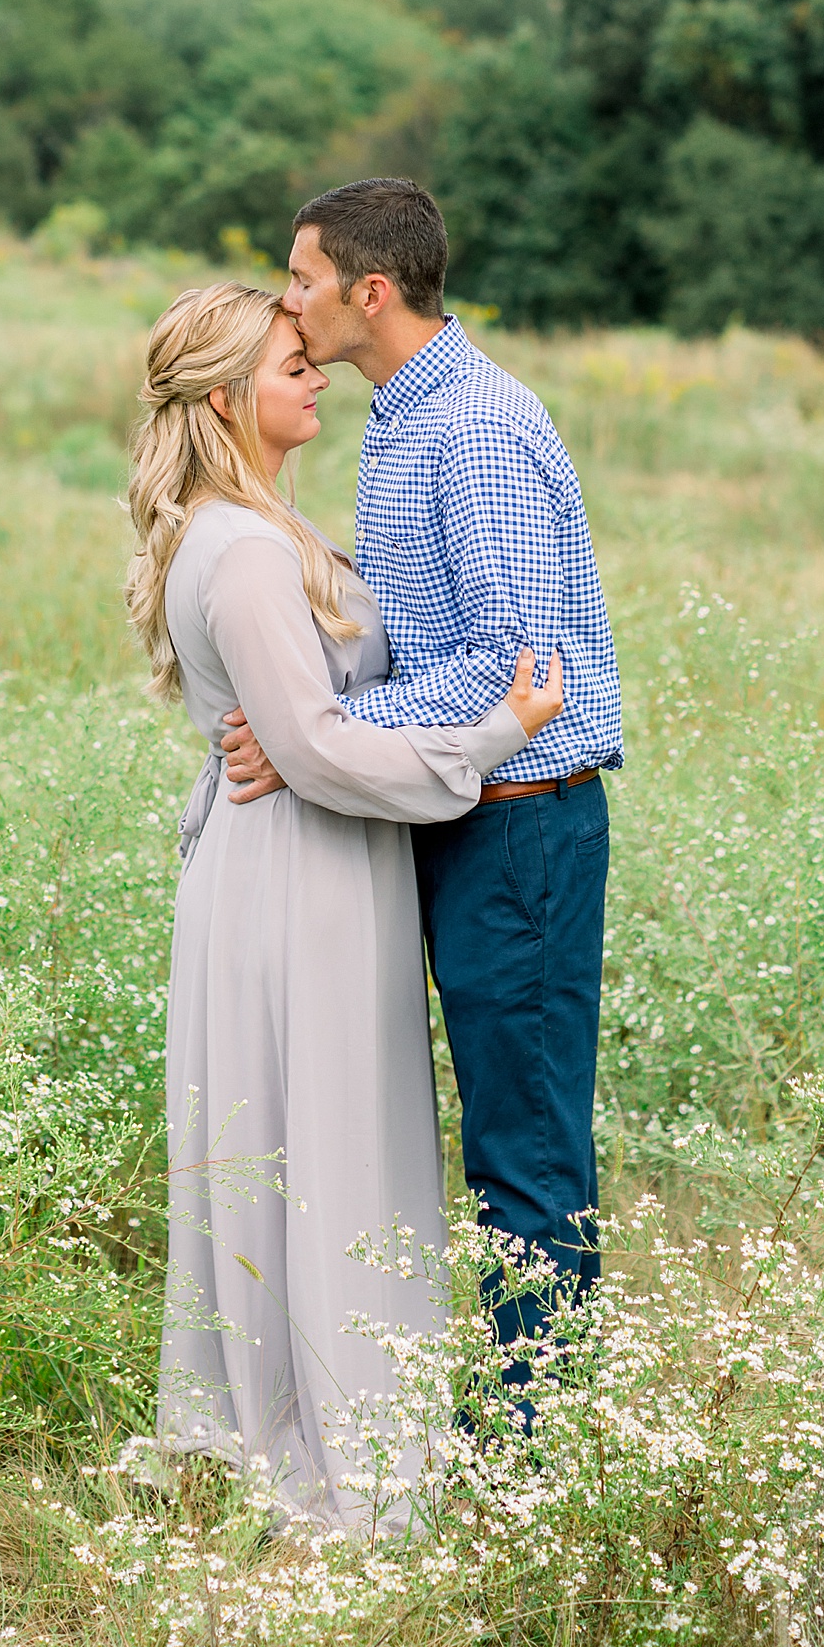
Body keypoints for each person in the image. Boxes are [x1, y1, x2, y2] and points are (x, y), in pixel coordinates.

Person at [125, 278, 563, 1530]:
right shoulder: (248, 548)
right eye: (286, 362)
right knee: (315, 1148)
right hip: (296, 876)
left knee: (321, 1142)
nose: (314, 368)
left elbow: (290, 731)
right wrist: (486, 741)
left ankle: (338, 1424)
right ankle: (336, 1455)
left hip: (313, 865)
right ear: (225, 398)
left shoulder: (262, 524)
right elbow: (310, 748)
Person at [222, 179, 622, 1416]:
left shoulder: (478, 432)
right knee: (464, 1153)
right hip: (449, 815)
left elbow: (518, 669)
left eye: (302, 278)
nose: (289, 302)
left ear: (370, 291)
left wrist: (320, 734)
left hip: (521, 827)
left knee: (527, 1166)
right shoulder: (404, 415)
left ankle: (534, 1471)